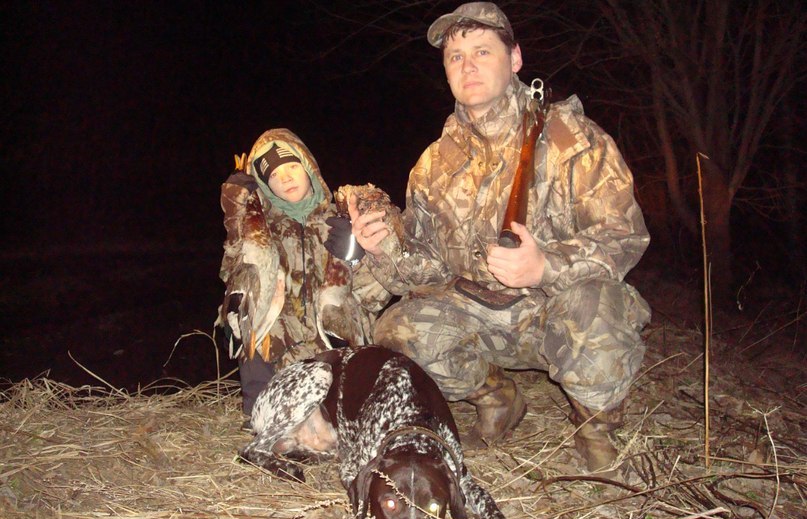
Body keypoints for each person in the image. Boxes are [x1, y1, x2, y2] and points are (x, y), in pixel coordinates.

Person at [336, 2, 651, 476]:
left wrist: (546, 266)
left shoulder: (572, 138)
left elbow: (624, 235)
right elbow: (428, 269)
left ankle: (596, 433)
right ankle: (498, 397)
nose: (468, 66)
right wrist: (387, 249)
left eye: (482, 51)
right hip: (480, 315)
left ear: (515, 58)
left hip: (555, 309)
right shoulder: (432, 164)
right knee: (396, 331)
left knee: (598, 308)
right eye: (455, 57)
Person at [215, 128, 391, 418]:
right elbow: (231, 271)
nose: (285, 178)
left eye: (292, 166)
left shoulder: (343, 221)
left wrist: (359, 256)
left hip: (333, 345)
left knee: (337, 417)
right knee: (246, 307)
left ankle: (346, 400)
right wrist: (236, 214)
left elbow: (374, 298)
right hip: (283, 349)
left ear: (309, 167)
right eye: (273, 175)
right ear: (264, 185)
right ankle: (260, 410)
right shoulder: (261, 231)